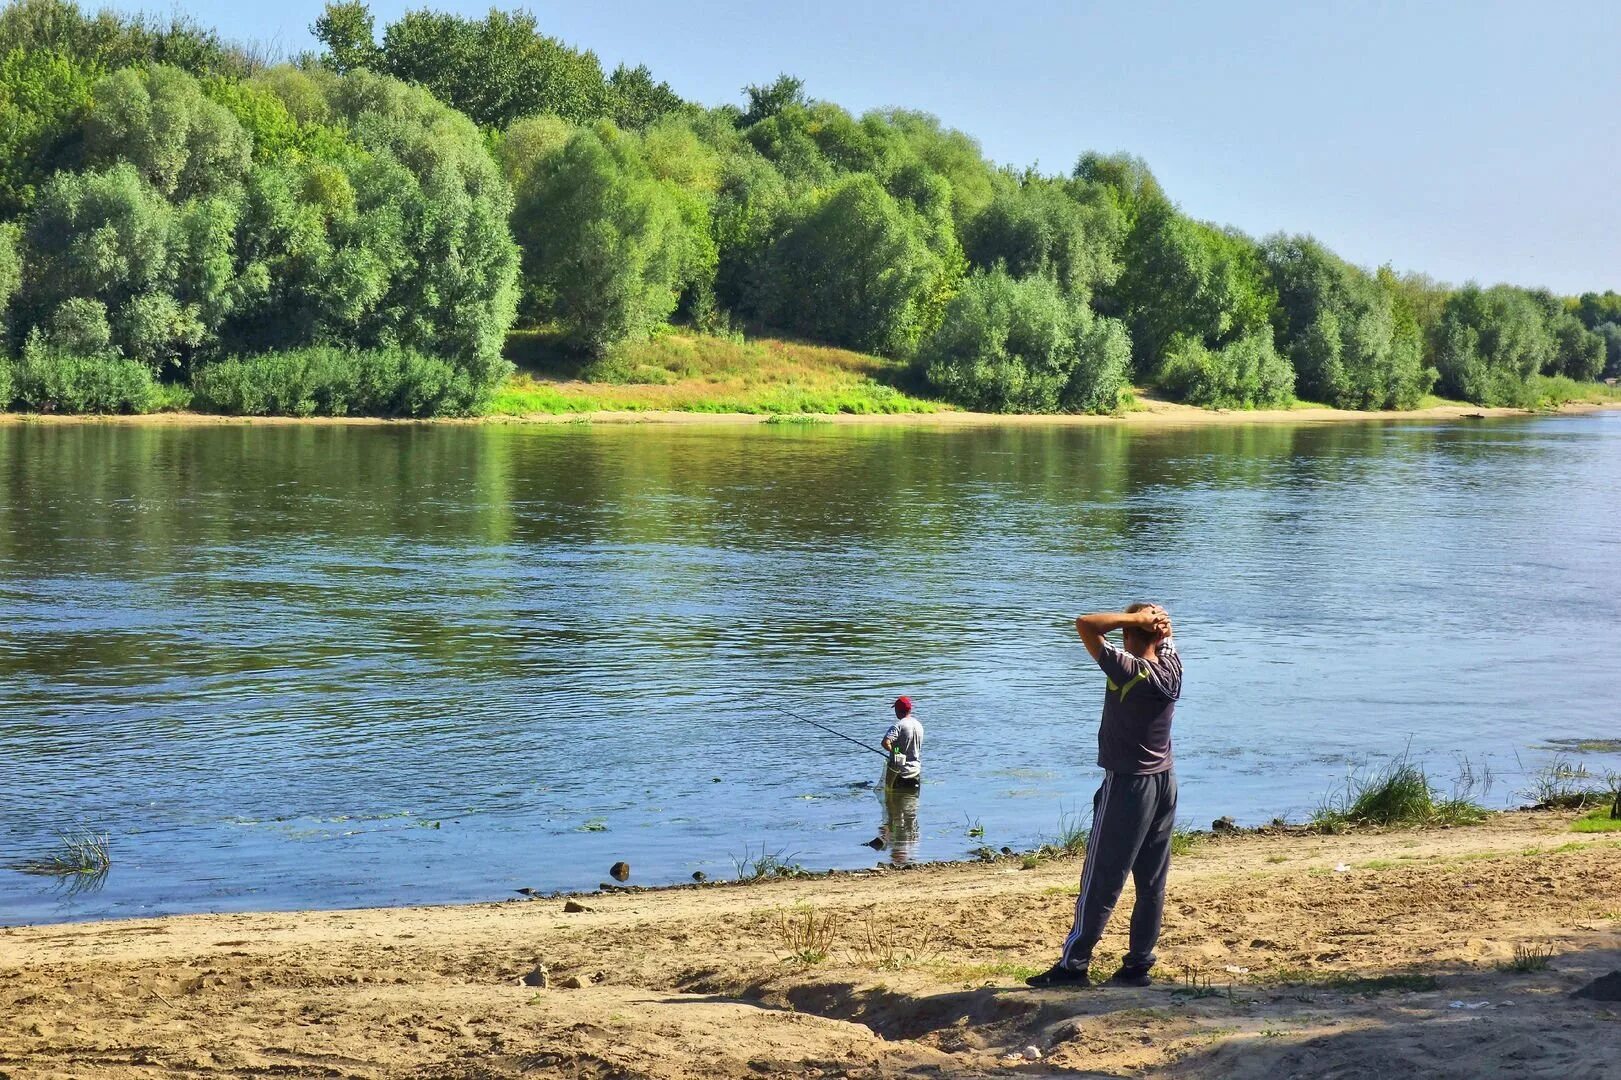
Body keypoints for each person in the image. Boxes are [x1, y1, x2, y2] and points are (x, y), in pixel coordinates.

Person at [1027, 603, 1182, 989]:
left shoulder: (1129, 669)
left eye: (1126, 632)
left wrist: (1133, 619)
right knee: (1151, 882)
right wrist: (1158, 625)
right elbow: (1167, 641)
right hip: (1165, 782)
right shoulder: (1171, 669)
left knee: (1101, 878)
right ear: (1160, 637)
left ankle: (1074, 964)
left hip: (1129, 784)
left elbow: (1085, 624)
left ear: (1130, 636)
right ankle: (1138, 964)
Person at [881, 696, 923, 791]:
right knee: (912, 804)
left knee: (893, 803)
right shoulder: (918, 725)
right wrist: (897, 750)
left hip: (899, 773)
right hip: (915, 772)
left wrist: (895, 752)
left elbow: (885, 743)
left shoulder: (898, 726)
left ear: (897, 710)